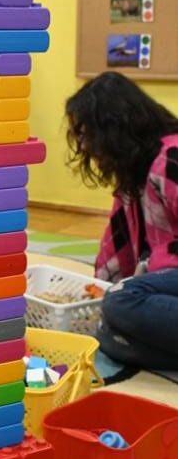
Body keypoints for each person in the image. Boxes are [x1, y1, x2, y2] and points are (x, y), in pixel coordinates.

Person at [66, 72, 178, 370]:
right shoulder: (134, 177)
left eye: (88, 134)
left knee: (121, 303)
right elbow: (118, 250)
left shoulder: (171, 158)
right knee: (110, 333)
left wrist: (148, 275)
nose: (84, 145)